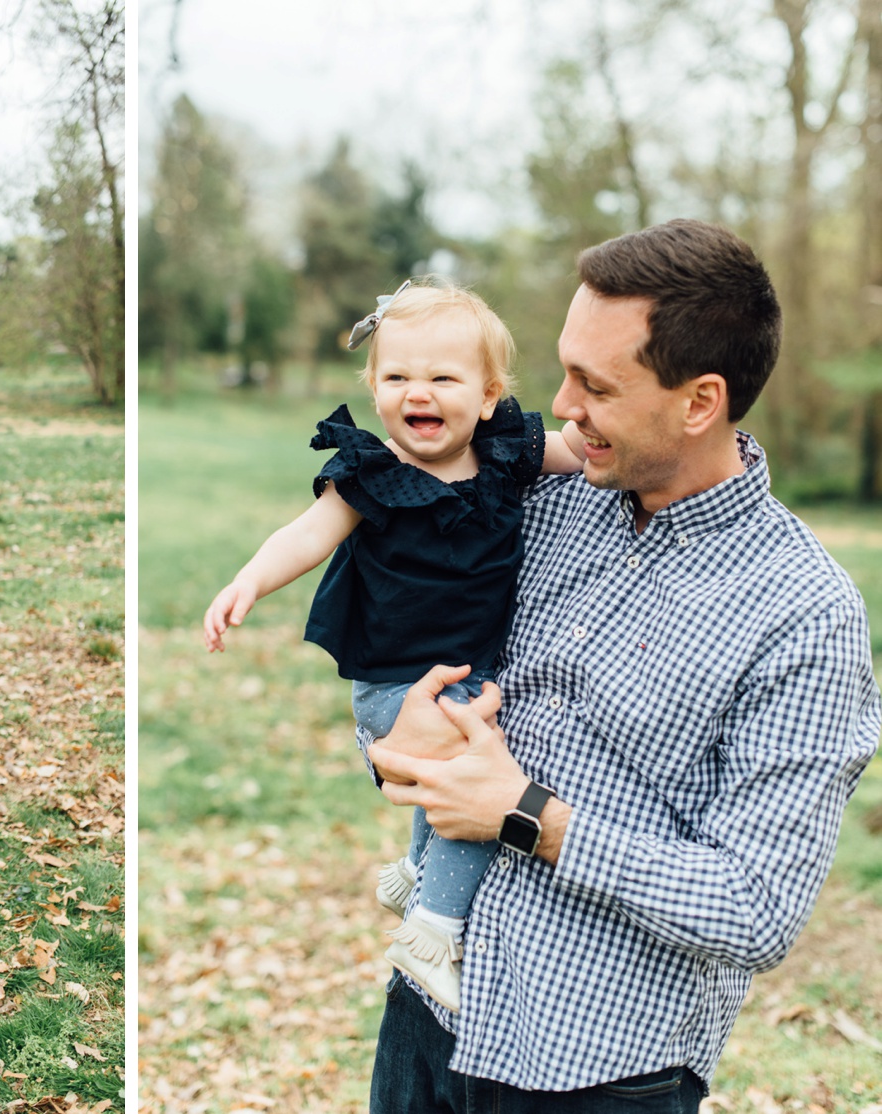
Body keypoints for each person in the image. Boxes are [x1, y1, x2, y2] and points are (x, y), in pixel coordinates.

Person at [363, 219, 882, 1111]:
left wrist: (528, 817)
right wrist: (391, 736)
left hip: (600, 1070)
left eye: (596, 385)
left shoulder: (805, 612)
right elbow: (415, 653)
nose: (560, 405)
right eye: (565, 369)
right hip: (431, 1016)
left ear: (698, 401)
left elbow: (757, 909)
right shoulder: (539, 499)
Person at [202, 281, 585, 1010]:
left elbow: (582, 453)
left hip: (466, 673)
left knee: (458, 772)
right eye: (398, 376)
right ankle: (431, 932)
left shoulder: (504, 454)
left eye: (444, 377)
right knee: (480, 787)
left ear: (486, 394)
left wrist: (617, 447)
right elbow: (306, 535)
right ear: (374, 389)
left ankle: (414, 872)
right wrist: (249, 581)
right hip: (393, 682)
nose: (420, 392)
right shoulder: (371, 476)